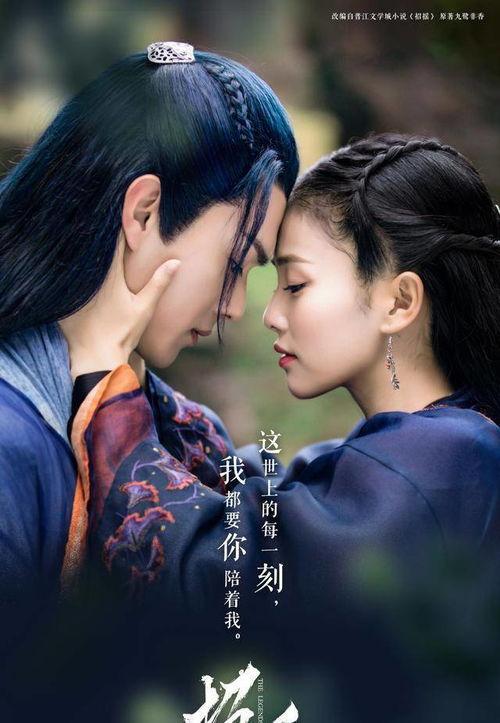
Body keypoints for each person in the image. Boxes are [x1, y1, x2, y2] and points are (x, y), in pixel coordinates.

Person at [63, 133, 500, 624]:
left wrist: (103, 376)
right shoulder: (432, 454)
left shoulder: (444, 467)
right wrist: (135, 368)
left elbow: (209, 574)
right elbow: (245, 494)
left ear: (399, 302)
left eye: (295, 285)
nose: (270, 314)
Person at [0, 41, 299, 612]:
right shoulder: (11, 442)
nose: (236, 307)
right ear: (144, 213)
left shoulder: (179, 432)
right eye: (235, 265)